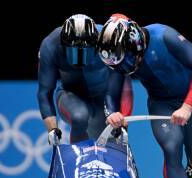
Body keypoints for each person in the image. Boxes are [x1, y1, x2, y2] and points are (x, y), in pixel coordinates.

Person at [97, 14, 192, 178]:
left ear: (135, 42)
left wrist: (187, 106)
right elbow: (110, 94)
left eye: (127, 60)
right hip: (161, 104)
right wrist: (112, 113)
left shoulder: (164, 35)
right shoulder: (118, 55)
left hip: (191, 100)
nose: (125, 68)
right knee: (171, 148)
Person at [37, 14, 132, 145]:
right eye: (74, 52)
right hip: (70, 95)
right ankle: (80, 160)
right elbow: (45, 92)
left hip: (104, 97)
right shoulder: (50, 45)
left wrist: (119, 114)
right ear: (63, 45)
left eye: (85, 51)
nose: (80, 59)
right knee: (79, 116)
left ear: (97, 44)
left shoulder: (108, 40)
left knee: (112, 140)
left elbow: (123, 81)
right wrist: (52, 129)